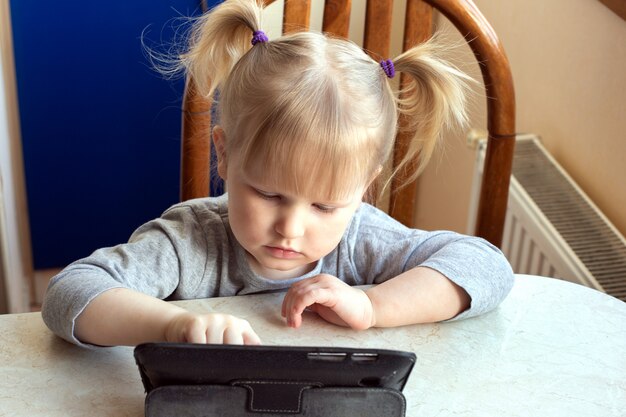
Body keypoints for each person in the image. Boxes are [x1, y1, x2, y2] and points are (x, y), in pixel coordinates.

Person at [42, 0, 514, 348]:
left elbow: (487, 266)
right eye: (268, 194)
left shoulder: (362, 240)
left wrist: (374, 307)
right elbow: (70, 293)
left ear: (364, 186)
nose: (291, 227)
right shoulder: (190, 243)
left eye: (326, 205)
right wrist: (172, 325)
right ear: (224, 156)